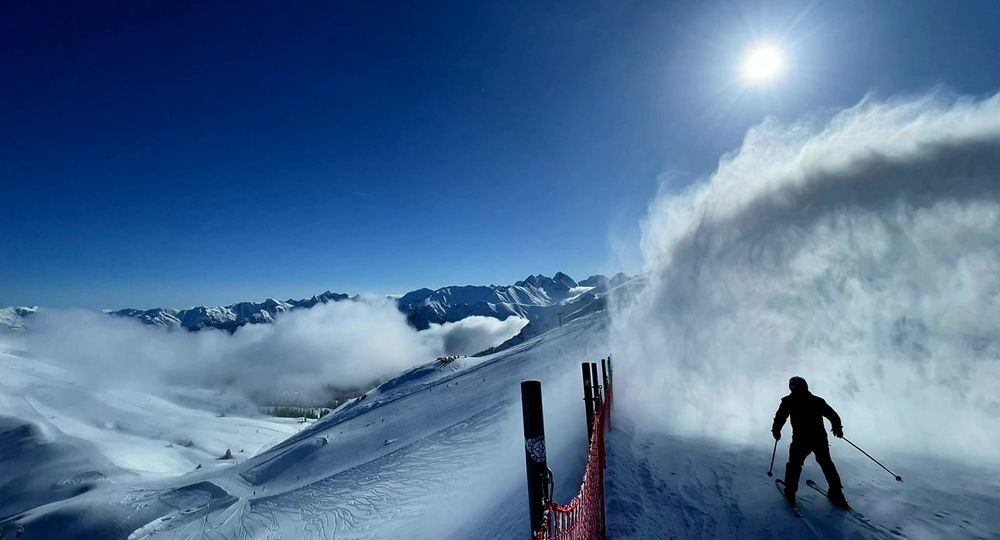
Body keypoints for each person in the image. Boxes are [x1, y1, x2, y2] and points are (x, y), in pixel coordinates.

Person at [772, 376, 850, 508]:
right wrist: (837, 428)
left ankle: (790, 490)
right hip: (818, 438)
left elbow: (780, 417)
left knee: (795, 464)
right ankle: (836, 492)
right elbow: (832, 415)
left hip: (801, 439)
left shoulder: (789, 401)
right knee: (826, 463)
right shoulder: (816, 401)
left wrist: (776, 430)